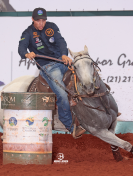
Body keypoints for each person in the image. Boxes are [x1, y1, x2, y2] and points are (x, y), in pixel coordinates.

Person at [18, 7, 86, 138]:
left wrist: (64, 55)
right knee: (61, 93)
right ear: (33, 19)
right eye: (38, 21)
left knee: (85, 75)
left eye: (43, 20)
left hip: (62, 62)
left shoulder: (52, 27)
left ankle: (102, 109)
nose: (41, 23)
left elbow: (61, 41)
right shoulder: (27, 33)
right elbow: (21, 48)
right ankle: (70, 127)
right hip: (48, 67)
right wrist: (26, 53)